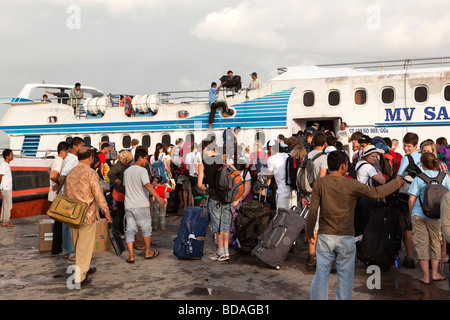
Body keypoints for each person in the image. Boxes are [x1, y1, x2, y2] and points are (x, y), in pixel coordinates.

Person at [308, 150, 402, 300]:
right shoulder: (351, 184)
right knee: (345, 277)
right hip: (345, 237)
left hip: (325, 236)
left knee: (321, 274)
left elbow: (313, 212)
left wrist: (308, 233)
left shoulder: (319, 183)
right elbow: (376, 192)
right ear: (344, 166)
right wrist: (396, 183)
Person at [64, 147, 113, 286]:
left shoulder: (71, 172)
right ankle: (79, 277)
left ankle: (85, 268)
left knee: (78, 243)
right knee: (84, 246)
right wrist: (107, 213)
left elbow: (65, 193)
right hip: (86, 214)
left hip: (72, 213)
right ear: (90, 158)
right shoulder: (91, 173)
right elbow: (98, 195)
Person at [408, 152, 450, 284]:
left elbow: (411, 199)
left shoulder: (419, 178)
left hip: (419, 215)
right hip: (437, 216)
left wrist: (411, 214)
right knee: (435, 243)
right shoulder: (445, 177)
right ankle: (435, 274)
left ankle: (425, 277)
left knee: (421, 244)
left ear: (422, 164)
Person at [123, 148, 165, 264]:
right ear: (140, 158)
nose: (146, 162)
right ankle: (148, 252)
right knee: (146, 229)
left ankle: (131, 256)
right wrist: (159, 198)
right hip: (141, 204)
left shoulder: (126, 171)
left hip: (129, 205)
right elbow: (148, 185)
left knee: (130, 230)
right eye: (146, 159)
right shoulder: (142, 171)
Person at [197, 139, 232, 261]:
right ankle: (226, 251)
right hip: (227, 197)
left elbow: (199, 184)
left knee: (217, 225)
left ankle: (220, 251)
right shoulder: (224, 159)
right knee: (226, 224)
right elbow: (235, 174)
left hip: (214, 197)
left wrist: (207, 189)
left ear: (205, 149)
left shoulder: (203, 163)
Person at [300, 131, 329, 268]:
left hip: (306, 193)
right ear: (324, 143)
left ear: (313, 142)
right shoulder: (324, 158)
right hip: (316, 194)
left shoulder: (307, 155)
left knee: (309, 223)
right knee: (316, 225)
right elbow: (321, 180)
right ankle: (312, 257)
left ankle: (312, 254)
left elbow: (301, 176)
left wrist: (302, 196)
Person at [396, 132, 422, 268]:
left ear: (415, 145)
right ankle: (426, 258)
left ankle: (410, 257)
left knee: (408, 227)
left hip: (407, 197)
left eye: (409, 146)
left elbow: (398, 177)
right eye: (405, 146)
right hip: (422, 196)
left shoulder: (406, 159)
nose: (406, 149)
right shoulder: (423, 157)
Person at [60, 136, 85, 261]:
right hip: (70, 196)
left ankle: (66, 250)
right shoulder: (74, 159)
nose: (82, 148)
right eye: (81, 146)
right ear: (75, 147)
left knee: (66, 225)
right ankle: (71, 252)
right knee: (71, 225)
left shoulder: (67, 157)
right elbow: (63, 174)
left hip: (64, 194)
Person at [48, 141, 70, 256]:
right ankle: (56, 249)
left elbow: (48, 170)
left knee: (58, 224)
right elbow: (53, 175)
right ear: (62, 151)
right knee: (59, 225)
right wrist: (57, 184)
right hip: (56, 197)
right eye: (67, 152)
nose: (68, 154)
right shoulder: (60, 161)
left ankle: (57, 249)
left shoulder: (55, 160)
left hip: (53, 197)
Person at [107, 150, 133, 234]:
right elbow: (110, 173)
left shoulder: (123, 165)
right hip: (119, 193)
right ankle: (119, 232)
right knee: (119, 215)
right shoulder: (119, 165)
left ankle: (124, 231)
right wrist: (116, 180)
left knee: (124, 214)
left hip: (125, 192)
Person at [266, 139, 297, 210]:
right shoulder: (288, 155)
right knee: (293, 216)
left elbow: (268, 176)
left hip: (282, 192)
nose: (268, 151)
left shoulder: (272, 158)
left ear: (271, 148)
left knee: (281, 217)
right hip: (293, 191)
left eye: (268, 149)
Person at [0, 149, 14, 227]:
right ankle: (6, 221)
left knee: (5, 204)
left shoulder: (6, 165)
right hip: (5, 187)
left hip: (7, 187)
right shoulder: (4, 165)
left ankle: (3, 220)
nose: (13, 156)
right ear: (7, 156)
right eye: (11, 155)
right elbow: (0, 175)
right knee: (8, 205)